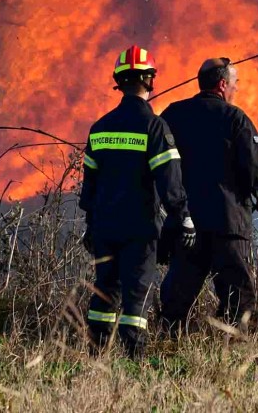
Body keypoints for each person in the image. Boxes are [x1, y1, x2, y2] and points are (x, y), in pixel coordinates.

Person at [79, 45, 195, 358]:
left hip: (104, 226)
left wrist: (90, 225)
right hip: (140, 227)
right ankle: (134, 359)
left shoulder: (100, 128)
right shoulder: (154, 127)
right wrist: (183, 216)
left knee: (104, 289)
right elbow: (169, 179)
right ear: (150, 81)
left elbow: (88, 186)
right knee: (137, 294)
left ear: (119, 81)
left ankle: (96, 356)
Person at [159, 57, 258, 331]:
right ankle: (236, 343)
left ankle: (168, 337)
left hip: (187, 222)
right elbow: (254, 168)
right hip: (227, 223)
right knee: (238, 292)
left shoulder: (174, 114)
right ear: (223, 84)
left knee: (179, 289)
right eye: (235, 83)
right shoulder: (235, 118)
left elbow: (159, 162)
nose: (237, 89)